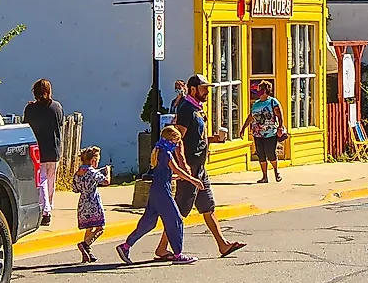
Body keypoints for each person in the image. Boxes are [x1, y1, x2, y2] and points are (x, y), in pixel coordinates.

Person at [170, 76, 246, 258]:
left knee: (208, 207)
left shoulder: (197, 109)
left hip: (200, 168)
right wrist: (182, 167)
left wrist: (214, 139)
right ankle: (162, 247)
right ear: (193, 89)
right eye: (204, 88)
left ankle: (223, 244)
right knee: (180, 209)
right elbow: (177, 138)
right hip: (190, 168)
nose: (207, 92)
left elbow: (197, 138)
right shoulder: (186, 109)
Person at [120, 125, 196, 264]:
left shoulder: (159, 150)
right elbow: (177, 169)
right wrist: (193, 180)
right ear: (170, 139)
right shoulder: (166, 153)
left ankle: (126, 246)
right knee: (176, 220)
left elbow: (165, 174)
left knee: (149, 222)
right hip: (162, 192)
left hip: (156, 190)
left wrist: (176, 178)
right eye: (175, 141)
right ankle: (178, 254)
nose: (176, 144)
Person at [23, 78, 66, 225]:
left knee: (41, 180)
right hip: (54, 149)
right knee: (51, 180)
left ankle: (45, 211)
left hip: (38, 150)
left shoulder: (30, 109)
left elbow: (26, 126)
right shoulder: (57, 107)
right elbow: (60, 123)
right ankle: (49, 207)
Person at [71, 144, 110, 262]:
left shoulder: (78, 173)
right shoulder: (93, 172)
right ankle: (85, 245)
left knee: (89, 228)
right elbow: (106, 181)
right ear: (93, 160)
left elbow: (74, 189)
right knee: (100, 228)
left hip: (83, 203)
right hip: (93, 203)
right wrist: (108, 172)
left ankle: (86, 254)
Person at [245, 79, 286, 183]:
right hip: (257, 133)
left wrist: (280, 127)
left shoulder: (272, 101)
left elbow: (280, 115)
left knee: (270, 153)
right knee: (261, 154)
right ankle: (264, 176)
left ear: (264, 90)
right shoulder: (256, 103)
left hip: (270, 132)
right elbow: (251, 116)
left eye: (258, 89)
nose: (257, 91)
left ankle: (276, 172)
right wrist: (243, 128)